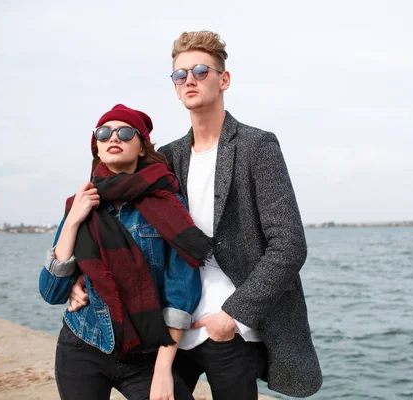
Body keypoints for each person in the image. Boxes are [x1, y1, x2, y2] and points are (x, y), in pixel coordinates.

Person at [160, 30, 322, 399]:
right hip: (176, 325)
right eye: (180, 74)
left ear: (224, 79)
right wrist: (79, 282)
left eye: (200, 71)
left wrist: (233, 316)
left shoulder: (256, 146)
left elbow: (289, 245)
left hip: (230, 330)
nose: (189, 80)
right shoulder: (168, 157)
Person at [39, 104, 211, 400]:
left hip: (146, 351)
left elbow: (180, 294)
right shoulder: (81, 203)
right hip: (84, 344)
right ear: (97, 146)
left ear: (142, 147)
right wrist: (73, 220)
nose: (113, 138)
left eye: (125, 132)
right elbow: (52, 292)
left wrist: (162, 371)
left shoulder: (169, 206)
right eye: (104, 133)